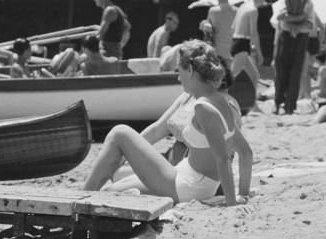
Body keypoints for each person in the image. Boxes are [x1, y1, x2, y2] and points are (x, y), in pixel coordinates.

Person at [84, 40, 253, 206]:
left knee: (119, 132)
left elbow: (222, 158)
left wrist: (232, 203)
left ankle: (76, 201)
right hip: (186, 177)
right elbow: (245, 152)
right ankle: (83, 200)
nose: (179, 78)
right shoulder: (220, 101)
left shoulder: (203, 108)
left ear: (191, 70)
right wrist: (243, 195)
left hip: (188, 185)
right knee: (111, 190)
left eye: (179, 71)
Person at [272, 0, 315, 114]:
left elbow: (309, 24)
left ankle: (290, 105)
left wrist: (290, 20)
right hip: (285, 37)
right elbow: (280, 17)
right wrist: (300, 19)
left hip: (300, 39)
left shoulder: (308, 3)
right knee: (280, 71)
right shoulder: (284, 2)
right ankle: (278, 103)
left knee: (295, 73)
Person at [230, 0, 265, 107]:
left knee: (254, 75)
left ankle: (254, 105)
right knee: (230, 77)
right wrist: (259, 53)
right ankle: (215, 99)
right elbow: (254, 33)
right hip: (242, 44)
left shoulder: (243, 6)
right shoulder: (253, 10)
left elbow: (233, 27)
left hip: (237, 42)